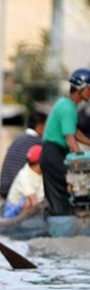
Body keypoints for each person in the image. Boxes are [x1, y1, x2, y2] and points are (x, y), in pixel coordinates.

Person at [40, 68, 90, 216]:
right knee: (64, 189)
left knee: (62, 191)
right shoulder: (68, 108)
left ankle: (64, 214)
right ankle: (63, 219)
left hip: (52, 153)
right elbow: (70, 139)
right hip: (53, 153)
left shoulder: (66, 105)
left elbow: (74, 132)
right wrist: (80, 157)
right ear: (81, 89)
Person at [0, 111, 47, 199]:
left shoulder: (17, 140)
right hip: (20, 190)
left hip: (4, 189)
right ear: (40, 127)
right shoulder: (38, 144)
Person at [3, 144, 44, 218]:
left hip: (37, 203)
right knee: (28, 202)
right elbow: (33, 200)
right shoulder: (24, 174)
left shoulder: (42, 173)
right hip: (13, 209)